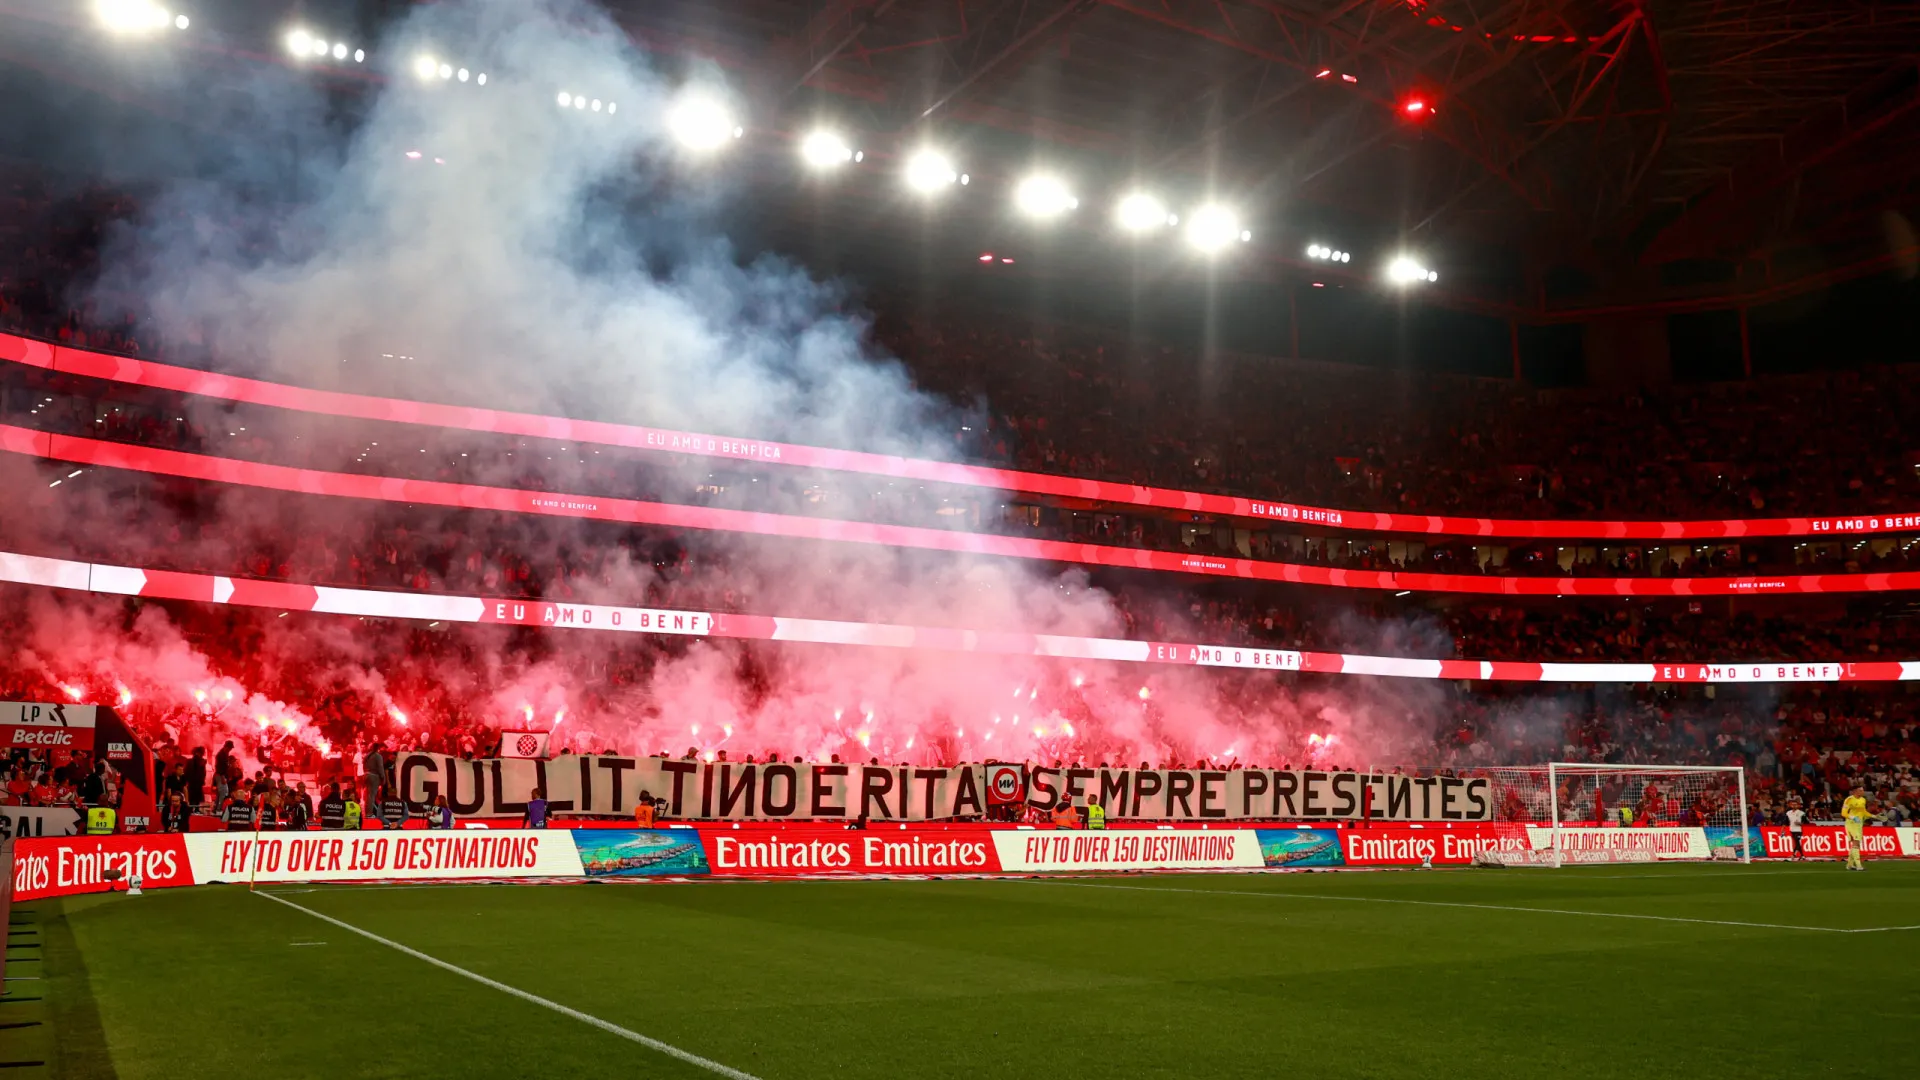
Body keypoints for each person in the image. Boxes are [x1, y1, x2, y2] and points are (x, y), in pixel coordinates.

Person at [1841, 785, 1870, 871]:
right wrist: (1853, 817)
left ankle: (1849, 865)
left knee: (1856, 845)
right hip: (1851, 824)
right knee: (1856, 844)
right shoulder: (1849, 799)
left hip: (1859, 825)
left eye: (1863, 790)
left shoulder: (1863, 800)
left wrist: (1873, 816)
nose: (1862, 792)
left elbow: (1863, 812)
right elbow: (1843, 813)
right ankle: (1858, 865)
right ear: (1855, 791)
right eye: (1860, 790)